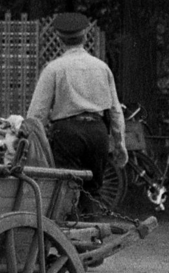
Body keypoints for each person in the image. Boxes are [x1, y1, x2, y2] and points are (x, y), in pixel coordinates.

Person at [26, 12, 127, 211]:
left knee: (67, 189)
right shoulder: (102, 68)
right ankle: (94, 236)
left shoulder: (54, 69)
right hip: (98, 133)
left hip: (68, 134)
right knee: (94, 190)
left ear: (59, 38)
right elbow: (115, 110)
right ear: (86, 36)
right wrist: (119, 142)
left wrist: (30, 142)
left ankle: (67, 237)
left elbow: (37, 113)